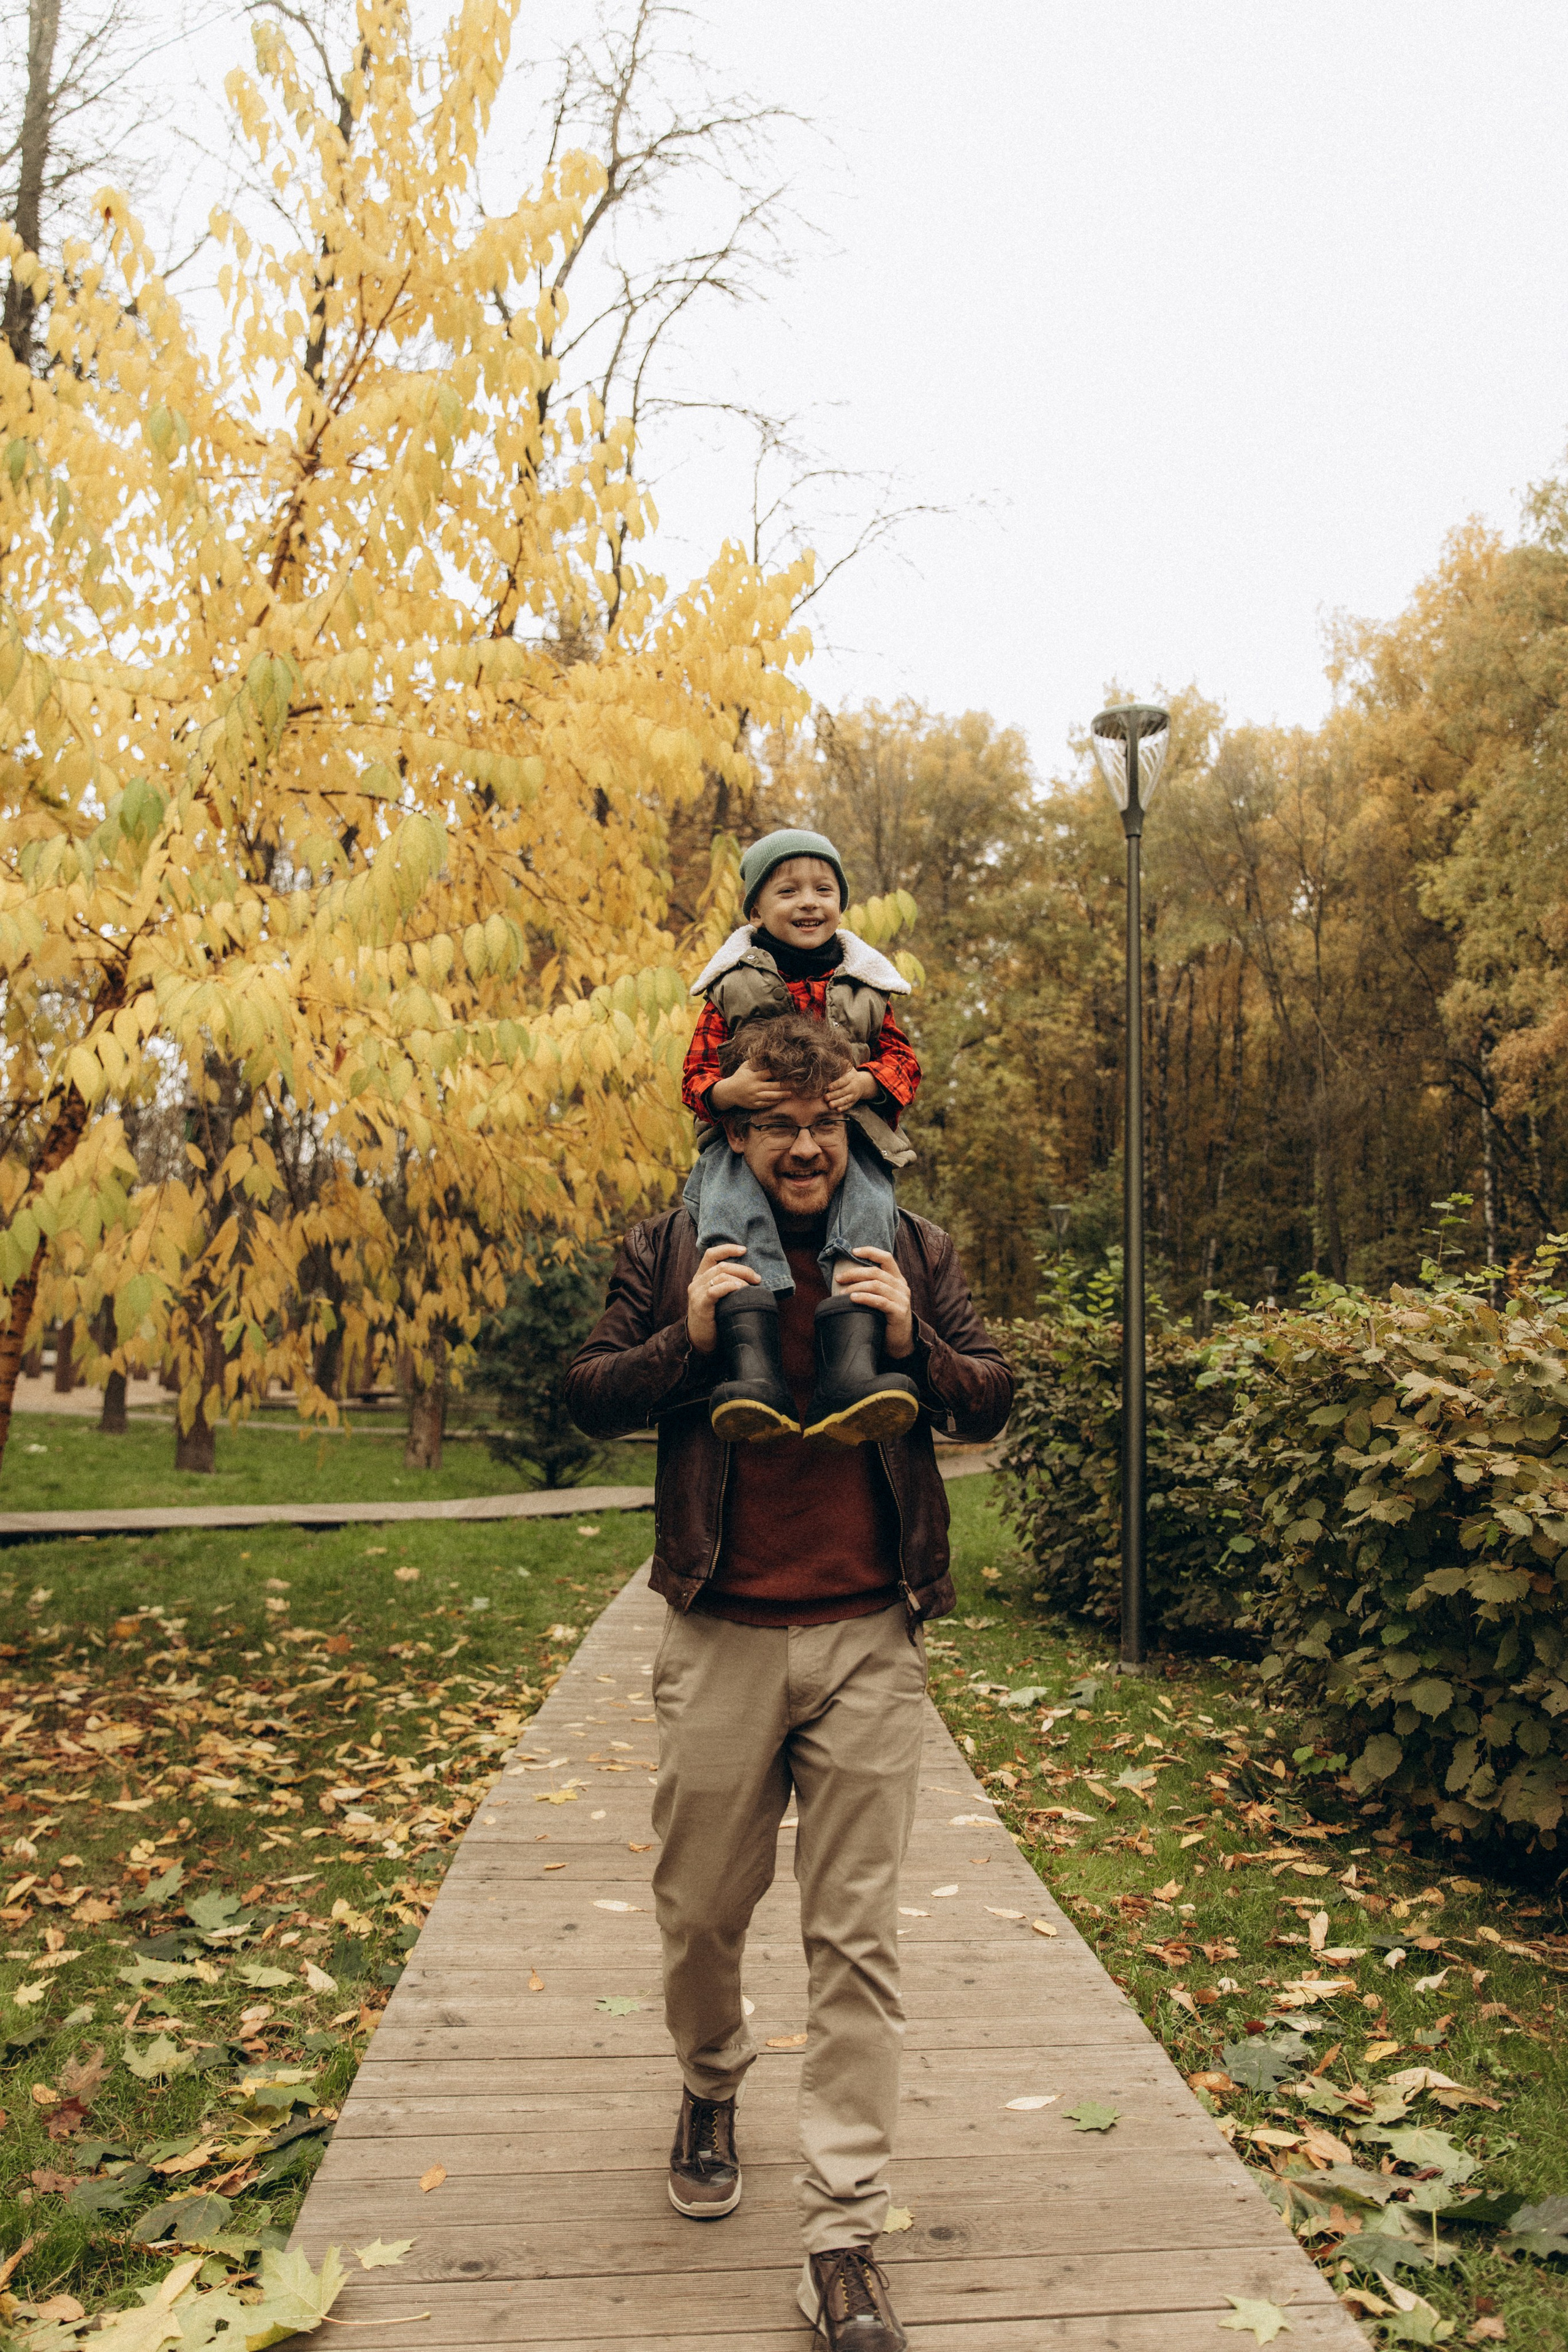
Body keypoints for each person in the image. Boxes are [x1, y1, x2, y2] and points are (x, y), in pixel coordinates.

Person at [565, 1015, 1013, 2352]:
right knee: (699, 1912)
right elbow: (585, 1391)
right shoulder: (668, 1245)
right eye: (778, 1124)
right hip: (720, 1628)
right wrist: (689, 1339)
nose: (805, 1146)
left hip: (870, 1633)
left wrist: (919, 1343)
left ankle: (842, 2237)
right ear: (738, 1129)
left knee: (855, 1942)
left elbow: (993, 1396)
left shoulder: (910, 1244)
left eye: (826, 1124)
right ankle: (710, 2082)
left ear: (850, 1128)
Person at [682, 827, 923, 1446]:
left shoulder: (866, 987)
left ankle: (852, 1353)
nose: (808, 902)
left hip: (852, 1132)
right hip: (748, 1134)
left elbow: (903, 1063)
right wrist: (729, 1094)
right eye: (787, 890)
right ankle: (750, 1359)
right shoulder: (732, 985)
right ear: (755, 911)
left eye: (824, 889)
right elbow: (695, 1074)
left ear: (841, 904)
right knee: (727, 1204)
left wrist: (867, 1084)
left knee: (870, 1201)